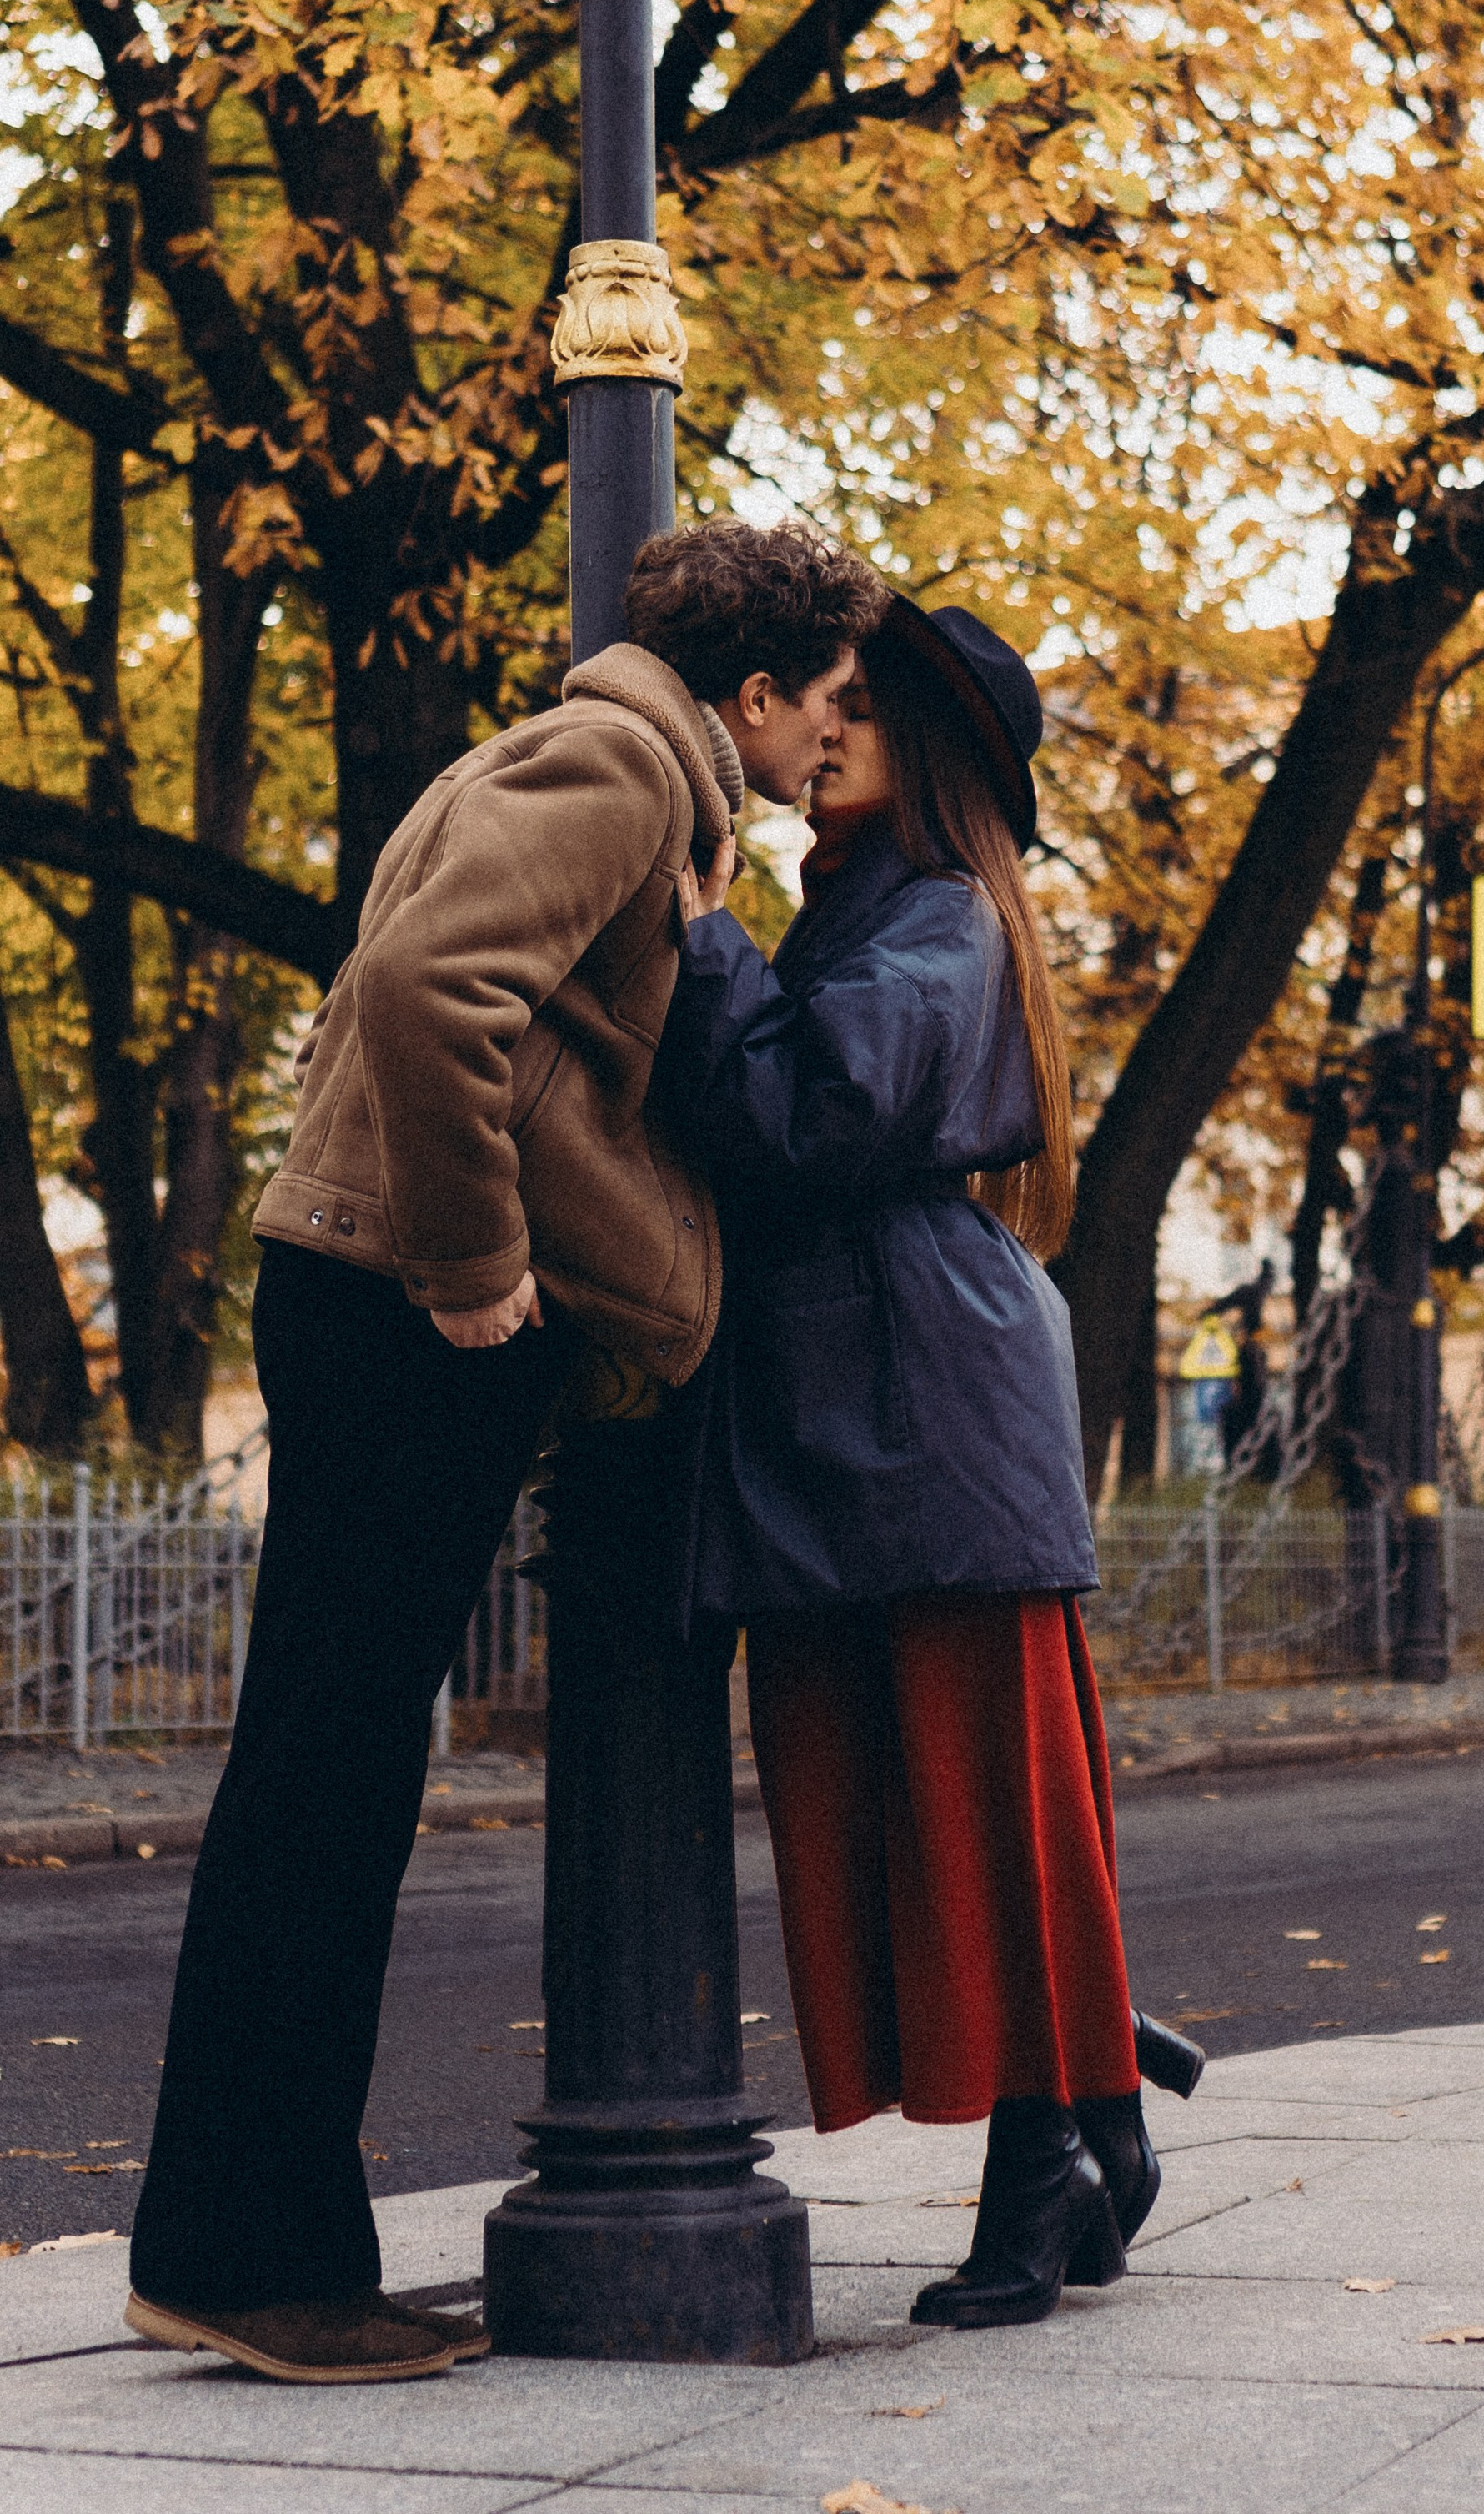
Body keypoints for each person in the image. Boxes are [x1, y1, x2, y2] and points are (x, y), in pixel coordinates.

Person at [124, 519, 883, 2387]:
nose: (831, 740)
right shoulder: (621, 767)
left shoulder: (599, 767)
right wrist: (474, 1270)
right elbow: (424, 995)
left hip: (373, 1294)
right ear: (755, 691)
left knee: (327, 1769)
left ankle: (248, 2244)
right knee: (326, 1779)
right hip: (404, 1305)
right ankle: (249, 2261)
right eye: (828, 703)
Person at [658, 596, 1201, 2334]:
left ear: (935, 756)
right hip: (864, 1399)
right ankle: (1096, 2099)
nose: (820, 734)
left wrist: (703, 939)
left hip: (930, 1406)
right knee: (898, 1806)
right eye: (822, 707)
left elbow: (802, 1114)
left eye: (860, 715)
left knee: (982, 1804)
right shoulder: (861, 908)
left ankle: (1048, 2166)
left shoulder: (942, 913)